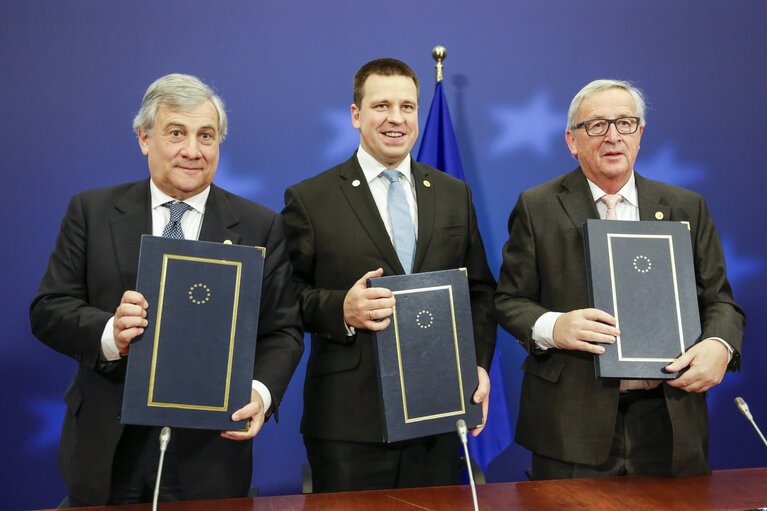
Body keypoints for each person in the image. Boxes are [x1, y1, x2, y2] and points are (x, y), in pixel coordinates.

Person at [29, 73, 304, 506]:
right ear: (144, 138)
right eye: (176, 133)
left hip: (210, 450)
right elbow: (49, 309)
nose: (192, 151)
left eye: (206, 136)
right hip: (107, 443)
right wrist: (109, 334)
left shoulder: (259, 226)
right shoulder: (92, 211)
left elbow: (282, 331)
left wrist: (260, 392)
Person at [495, 79, 745, 479]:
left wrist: (720, 345)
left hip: (669, 417)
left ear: (640, 135)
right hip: (572, 422)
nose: (613, 136)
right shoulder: (537, 206)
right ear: (572, 141)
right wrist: (554, 326)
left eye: (625, 123)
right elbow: (509, 300)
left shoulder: (685, 206)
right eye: (596, 125)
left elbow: (720, 301)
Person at [281, 58, 496, 492]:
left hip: (436, 413)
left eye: (408, 107)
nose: (396, 119)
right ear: (357, 115)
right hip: (348, 424)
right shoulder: (311, 198)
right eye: (381, 106)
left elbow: (479, 291)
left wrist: (478, 365)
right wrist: (341, 307)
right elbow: (285, 297)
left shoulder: (454, 194)